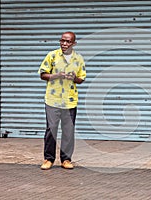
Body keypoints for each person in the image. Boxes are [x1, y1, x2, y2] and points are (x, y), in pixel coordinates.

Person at [38, 31, 86, 170]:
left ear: (74, 43)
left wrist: (73, 78)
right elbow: (42, 74)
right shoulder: (52, 56)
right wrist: (56, 75)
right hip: (53, 100)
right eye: (62, 41)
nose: (64, 44)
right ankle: (48, 159)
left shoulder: (78, 59)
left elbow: (81, 79)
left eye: (68, 41)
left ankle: (66, 159)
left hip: (70, 100)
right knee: (51, 129)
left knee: (68, 131)